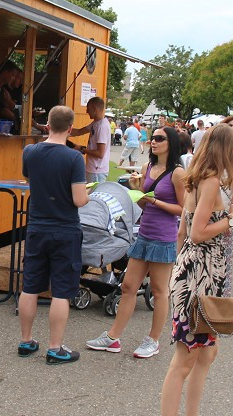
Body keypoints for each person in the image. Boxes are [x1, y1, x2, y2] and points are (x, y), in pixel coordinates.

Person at [158, 123, 233, 416]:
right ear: (227, 149)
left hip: (199, 275)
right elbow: (197, 233)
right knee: (184, 360)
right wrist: (231, 220)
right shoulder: (209, 182)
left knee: (207, 352)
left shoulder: (202, 178)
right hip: (199, 278)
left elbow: (183, 231)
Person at [86, 126, 185, 359]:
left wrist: (156, 202)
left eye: (160, 138)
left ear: (171, 143)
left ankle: (153, 340)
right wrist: (137, 192)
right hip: (144, 234)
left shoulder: (178, 173)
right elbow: (142, 203)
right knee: (129, 286)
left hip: (163, 237)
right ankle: (113, 337)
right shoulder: (147, 167)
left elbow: (183, 209)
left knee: (160, 291)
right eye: (153, 137)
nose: (154, 141)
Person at [18, 105, 89, 364]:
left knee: (30, 287)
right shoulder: (73, 158)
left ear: (47, 124)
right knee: (61, 291)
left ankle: (26, 341)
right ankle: (55, 347)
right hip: (65, 229)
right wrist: (88, 194)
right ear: (70, 129)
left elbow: (29, 181)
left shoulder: (30, 151)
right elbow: (79, 200)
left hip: (37, 227)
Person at [71, 96, 112, 184]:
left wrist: (82, 149)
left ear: (94, 109)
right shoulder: (96, 123)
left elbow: (100, 154)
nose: (86, 112)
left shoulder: (102, 126)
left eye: (88, 109)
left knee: (93, 197)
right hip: (93, 169)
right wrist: (60, 130)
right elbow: (79, 131)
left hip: (97, 171)